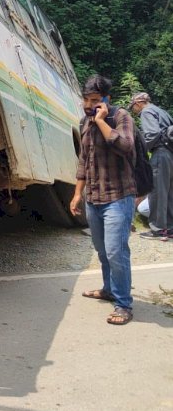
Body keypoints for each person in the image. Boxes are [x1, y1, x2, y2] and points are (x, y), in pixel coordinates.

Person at [70, 75, 136, 325]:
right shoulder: (83, 122)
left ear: (107, 99)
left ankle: (123, 304)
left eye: (94, 100)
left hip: (119, 197)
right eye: (85, 99)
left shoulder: (120, 118)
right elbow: (83, 161)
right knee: (102, 251)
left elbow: (126, 145)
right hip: (93, 198)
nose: (88, 105)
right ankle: (109, 289)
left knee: (116, 251)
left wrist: (100, 121)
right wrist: (77, 193)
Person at [128, 92, 173, 240]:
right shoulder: (162, 111)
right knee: (169, 193)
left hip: (160, 154)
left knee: (158, 193)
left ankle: (158, 230)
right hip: (170, 154)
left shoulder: (146, 112)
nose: (133, 110)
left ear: (139, 103)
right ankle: (170, 229)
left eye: (133, 106)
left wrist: (140, 151)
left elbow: (152, 134)